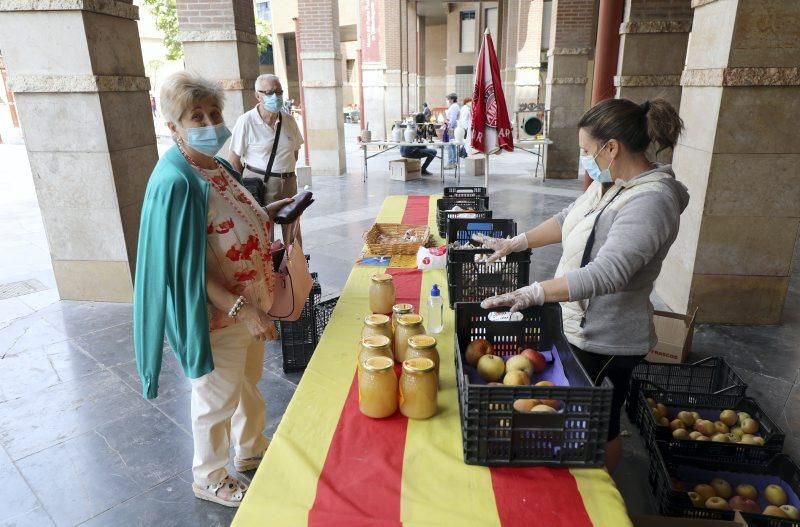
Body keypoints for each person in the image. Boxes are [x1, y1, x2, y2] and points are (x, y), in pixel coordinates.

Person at [475, 98, 689, 473]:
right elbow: (567, 218)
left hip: (608, 336)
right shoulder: (611, 183)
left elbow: (609, 273)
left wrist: (535, 292)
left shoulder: (650, 202)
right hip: (578, 322)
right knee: (571, 409)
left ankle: (598, 495)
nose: (585, 159)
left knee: (599, 421)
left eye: (587, 150)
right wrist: (516, 243)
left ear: (612, 148)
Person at [134, 71, 296, 508]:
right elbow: (182, 265)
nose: (209, 124)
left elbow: (232, 217)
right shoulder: (176, 180)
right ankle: (208, 475)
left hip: (251, 302)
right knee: (214, 397)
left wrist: (267, 212)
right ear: (174, 126)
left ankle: (249, 449)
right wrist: (243, 309)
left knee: (246, 384)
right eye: (196, 117)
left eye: (214, 114)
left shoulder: (218, 167)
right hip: (221, 314)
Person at [229, 73, 304, 245]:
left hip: (289, 182)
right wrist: (246, 184)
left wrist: (284, 172)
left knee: (293, 230)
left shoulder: (289, 120)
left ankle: (295, 268)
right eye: (269, 93)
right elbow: (233, 160)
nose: (275, 97)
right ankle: (269, 269)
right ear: (257, 95)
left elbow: (295, 153)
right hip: (261, 184)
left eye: (279, 92)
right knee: (263, 232)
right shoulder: (246, 121)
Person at [444, 93, 460, 169]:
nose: (447, 101)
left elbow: (453, 119)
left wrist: (449, 127)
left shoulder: (454, 107)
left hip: (452, 128)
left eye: (448, 99)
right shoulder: (454, 106)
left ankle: (451, 162)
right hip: (453, 128)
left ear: (452, 99)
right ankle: (453, 162)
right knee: (452, 145)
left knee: (449, 145)